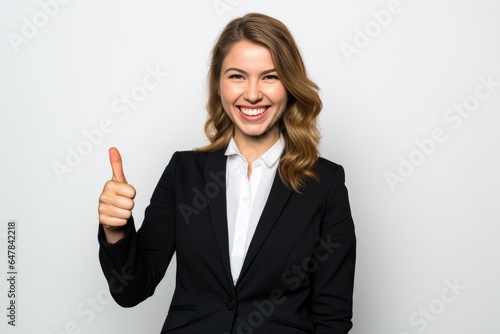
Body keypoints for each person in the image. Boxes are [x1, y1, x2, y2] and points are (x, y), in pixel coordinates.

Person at [98, 13, 356, 334]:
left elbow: (332, 317)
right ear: (218, 86)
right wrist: (115, 230)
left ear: (290, 85)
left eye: (270, 77)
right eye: (237, 76)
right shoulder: (184, 172)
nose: (251, 94)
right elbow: (131, 290)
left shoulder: (325, 183)